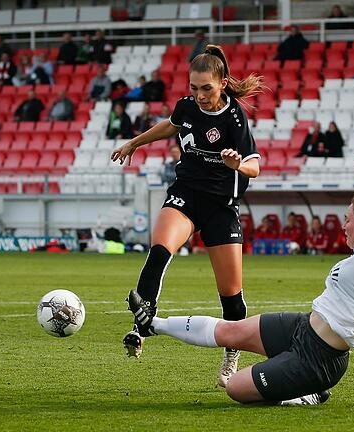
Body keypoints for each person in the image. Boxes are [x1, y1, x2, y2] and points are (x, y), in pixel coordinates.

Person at [124, 148, 354, 405]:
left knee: (235, 389)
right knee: (230, 332)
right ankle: (154, 324)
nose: (343, 225)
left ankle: (311, 393)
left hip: (319, 360)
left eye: (348, 219)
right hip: (302, 327)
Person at [111, 44, 263, 387]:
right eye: (194, 89)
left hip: (222, 206)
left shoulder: (236, 117)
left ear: (222, 83)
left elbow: (255, 165)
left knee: (231, 293)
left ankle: (231, 352)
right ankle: (141, 327)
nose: (199, 96)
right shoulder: (187, 107)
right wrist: (134, 143)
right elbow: (171, 125)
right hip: (187, 194)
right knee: (160, 249)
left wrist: (238, 164)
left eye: (206, 88)